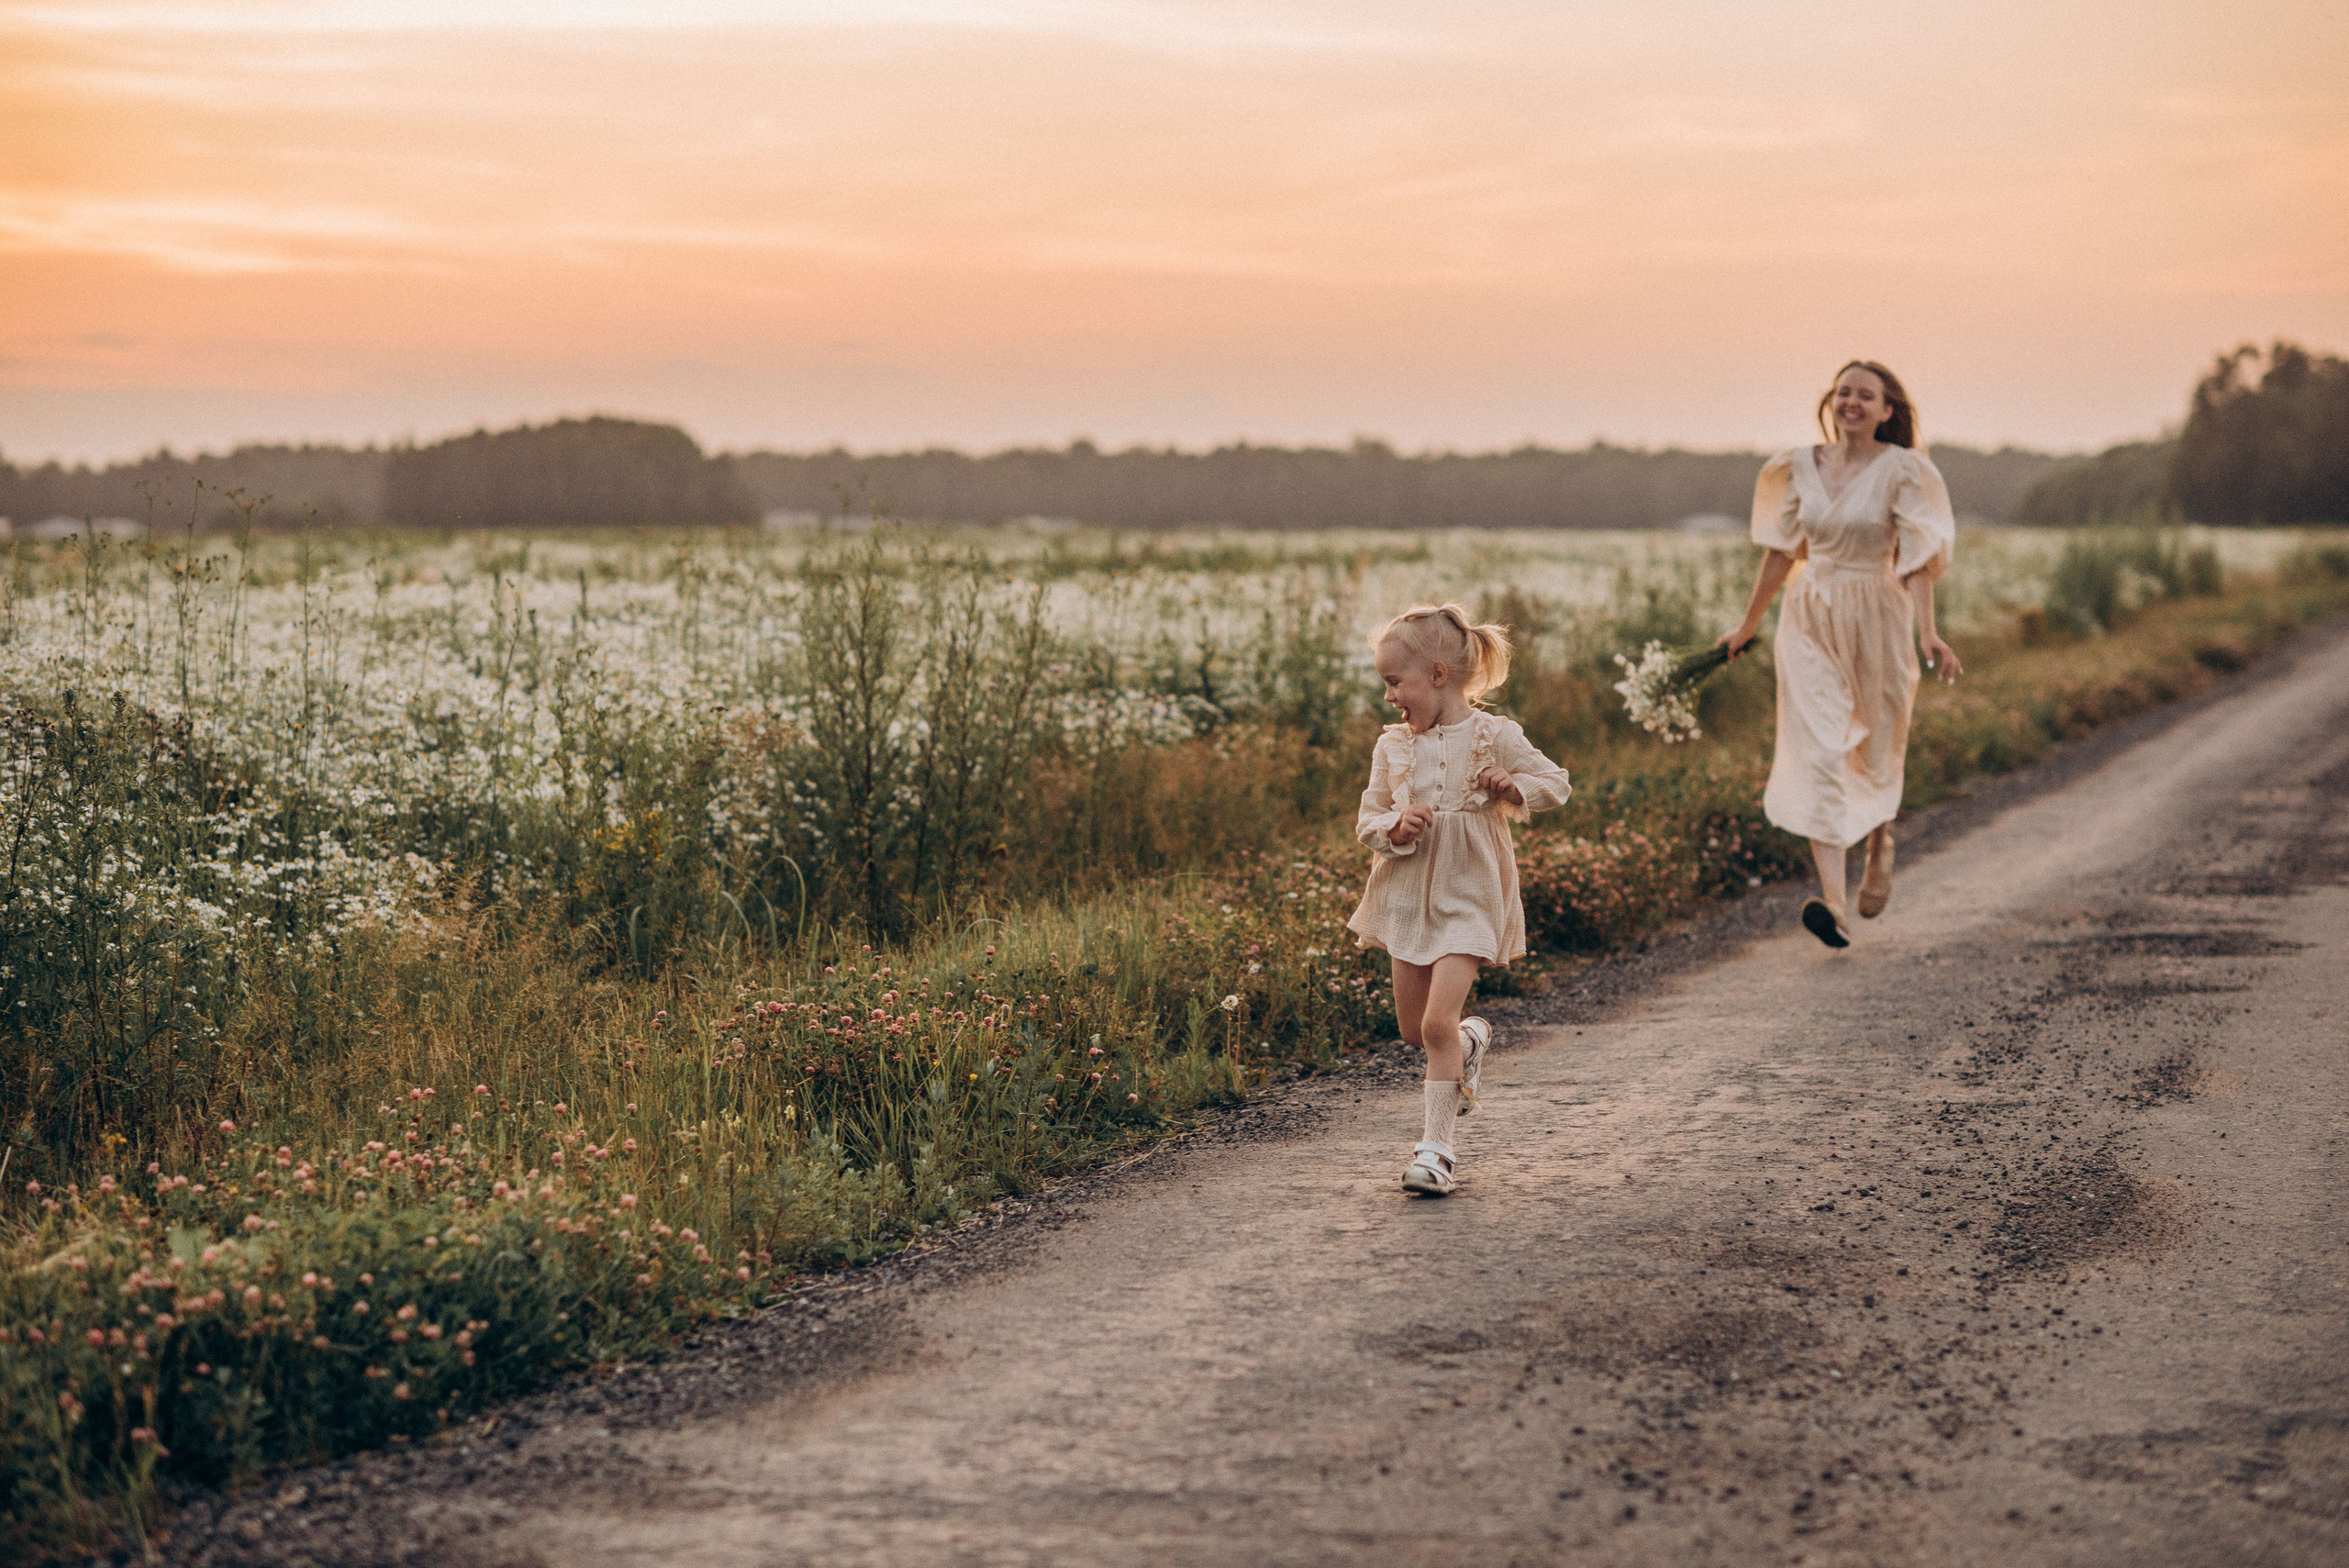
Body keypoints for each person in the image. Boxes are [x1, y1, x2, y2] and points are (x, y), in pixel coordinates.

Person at [1720, 360, 1963, 949]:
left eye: (1866, 395)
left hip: (1878, 613)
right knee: (1822, 745)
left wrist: (1928, 632)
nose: (1851, 402)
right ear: (1832, 402)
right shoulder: (1797, 465)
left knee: (1877, 745)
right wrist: (1748, 623)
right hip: (1808, 617)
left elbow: (1916, 556)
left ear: (1887, 411)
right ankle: (1833, 902)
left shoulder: (1904, 470)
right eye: (1844, 392)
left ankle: (1881, 839)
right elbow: (1781, 552)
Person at [1347, 605, 1573, 1195]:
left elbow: (1556, 783)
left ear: (1439, 675)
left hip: (1471, 890)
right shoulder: (1392, 747)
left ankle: (1437, 1150)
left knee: (1436, 1021)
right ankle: (1471, 1041)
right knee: (1413, 1030)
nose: (1390, 697)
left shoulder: (1495, 735)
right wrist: (1395, 827)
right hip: (1406, 895)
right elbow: (1368, 817)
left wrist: (1513, 785)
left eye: (1396, 682)